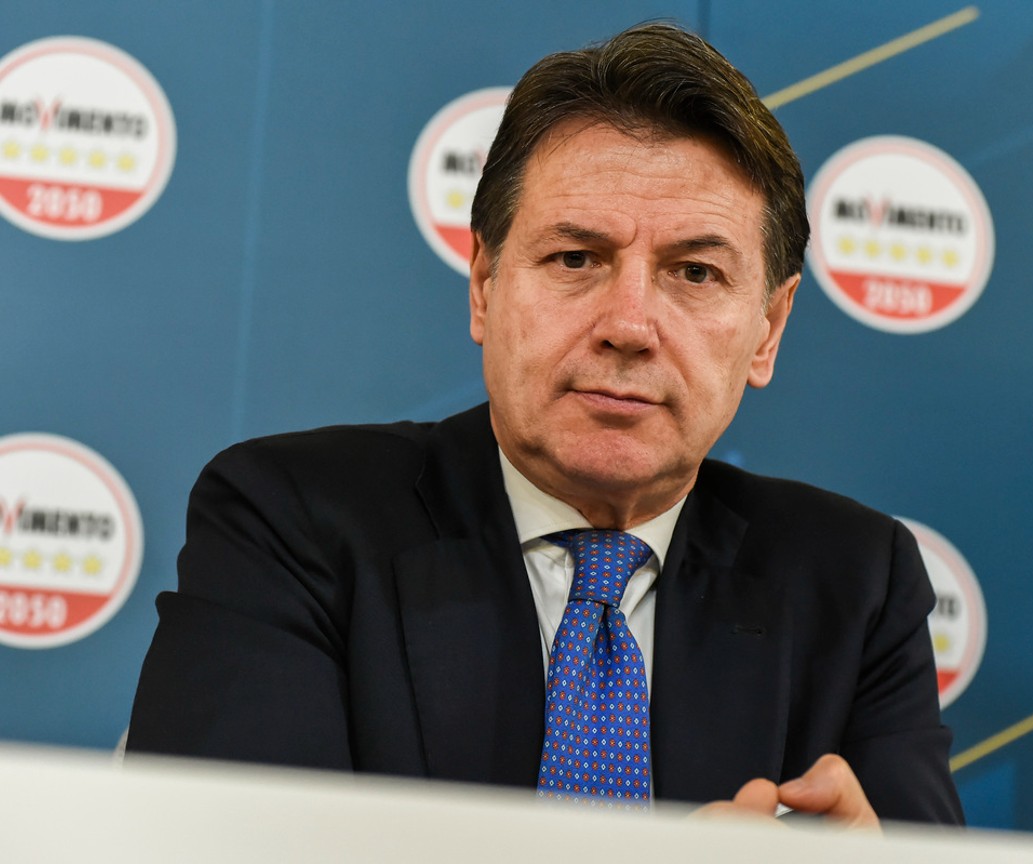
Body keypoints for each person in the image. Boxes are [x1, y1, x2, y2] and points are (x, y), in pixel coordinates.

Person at [127, 22, 963, 827]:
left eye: (695, 273)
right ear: (484, 284)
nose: (629, 325)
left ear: (768, 330)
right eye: (575, 259)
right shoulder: (288, 520)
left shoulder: (856, 584)